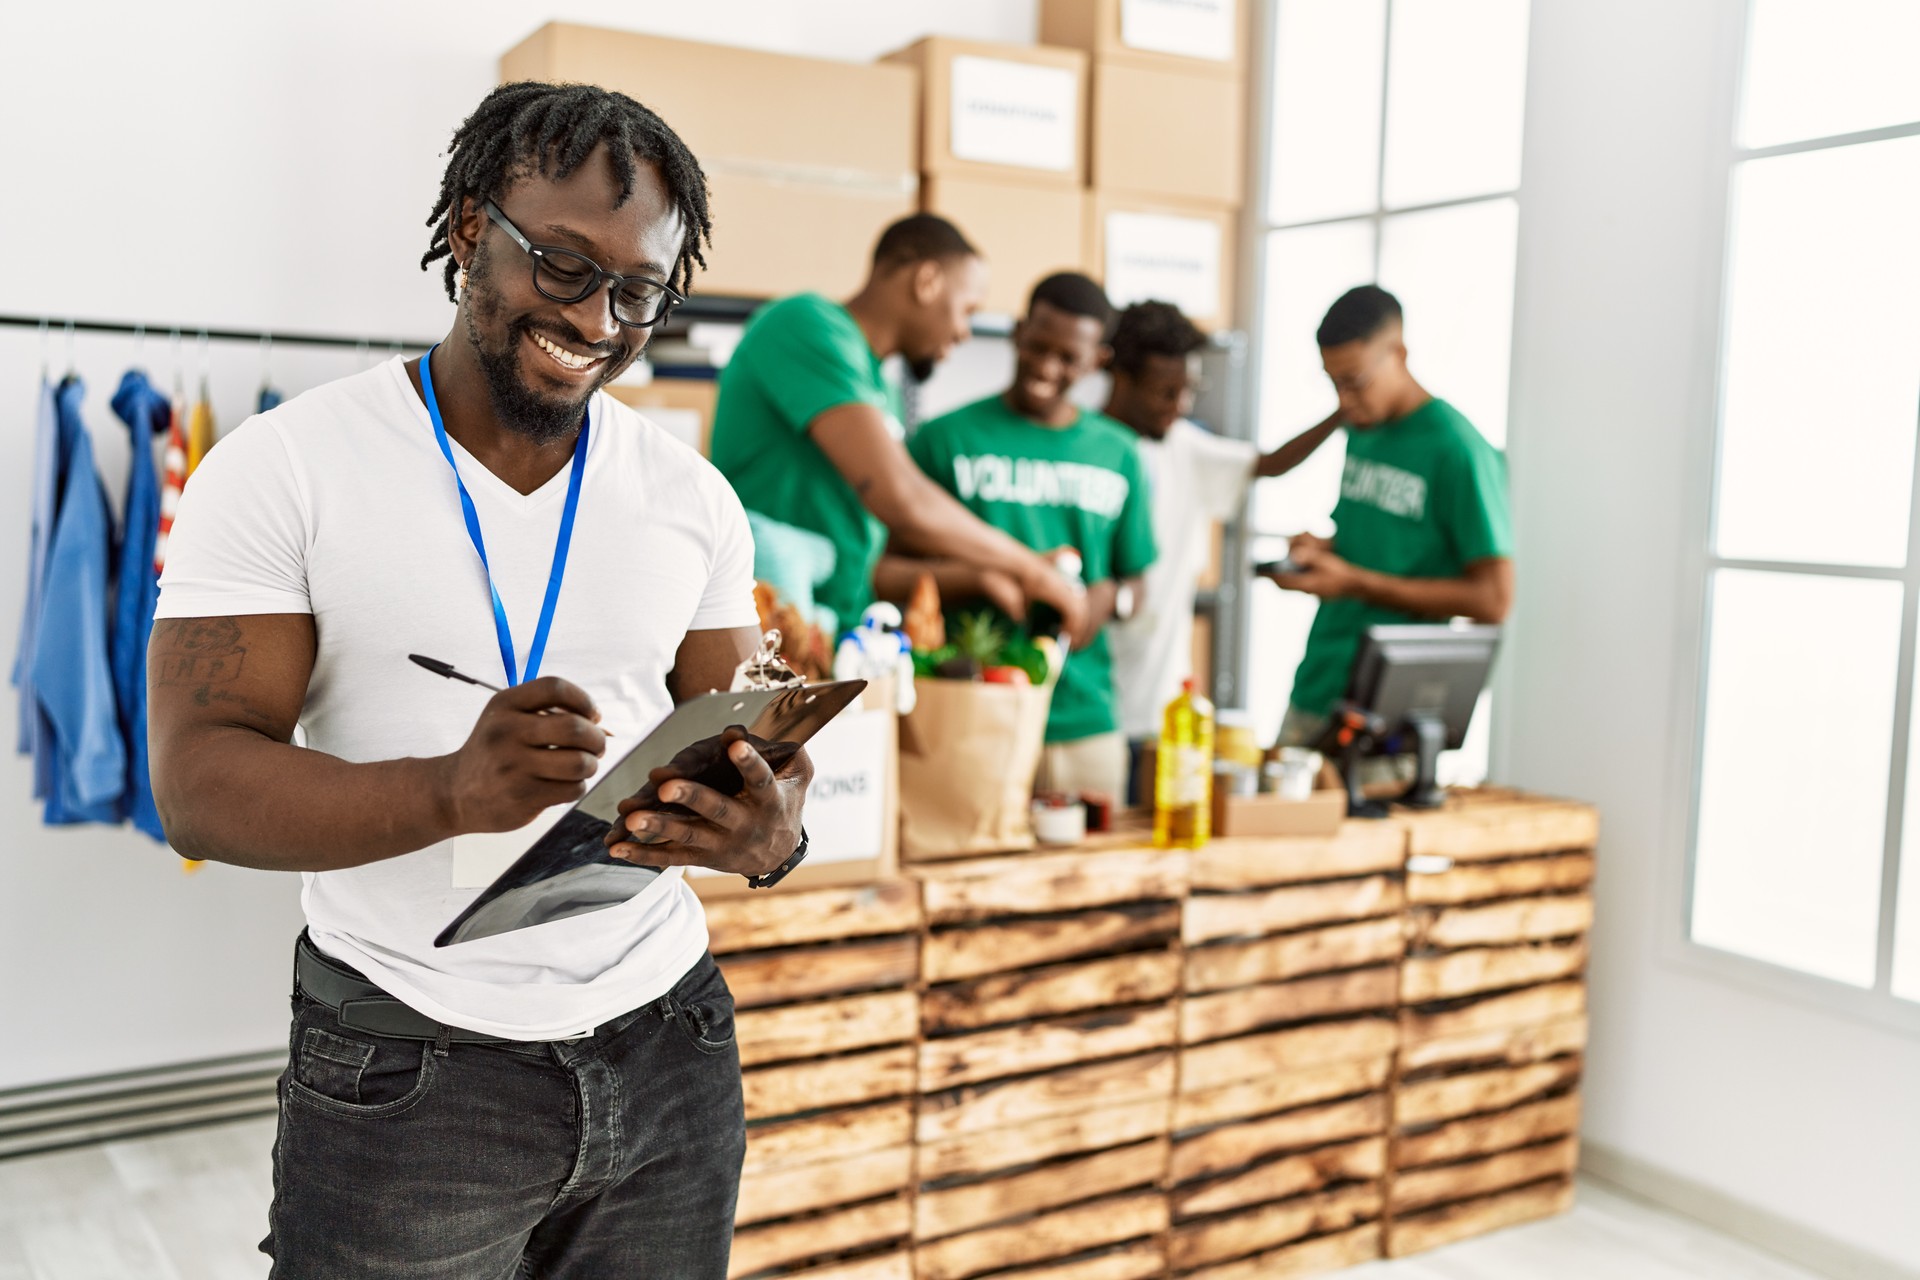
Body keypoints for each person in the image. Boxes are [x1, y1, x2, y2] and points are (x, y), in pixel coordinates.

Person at [147, 83, 804, 1279]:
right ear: (466, 229)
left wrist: (770, 831)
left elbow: (739, 738)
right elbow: (197, 782)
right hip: (411, 1069)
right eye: (561, 264)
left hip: (668, 1041)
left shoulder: (689, 495)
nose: (597, 317)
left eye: (637, 291)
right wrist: (450, 788)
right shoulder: (284, 468)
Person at [709, 215, 1086, 640]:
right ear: (927, 281)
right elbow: (905, 501)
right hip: (763, 635)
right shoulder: (807, 324)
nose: (964, 333)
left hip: (826, 637)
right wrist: (1031, 568)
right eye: (968, 310)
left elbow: (867, 569)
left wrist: (980, 577)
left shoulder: (878, 391)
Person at [901, 273, 1157, 800]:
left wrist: (1109, 598)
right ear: (1017, 334)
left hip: (1084, 720)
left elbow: (1135, 579)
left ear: (1098, 361)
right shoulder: (943, 440)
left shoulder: (1120, 453)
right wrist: (981, 579)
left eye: (1068, 358)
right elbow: (883, 574)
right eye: (1037, 347)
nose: (1046, 367)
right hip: (968, 712)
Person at [1261, 284, 1515, 750]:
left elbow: (1494, 599)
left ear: (1397, 353)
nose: (1343, 399)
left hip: (1387, 716)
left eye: (1354, 381)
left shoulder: (1458, 450)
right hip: (1318, 684)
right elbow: (1386, 542)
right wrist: (1322, 552)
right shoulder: (1363, 430)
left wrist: (1354, 581)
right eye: (1332, 381)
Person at [1100, 300, 1344, 765]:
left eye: (1188, 390)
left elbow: (1269, 463)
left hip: (1159, 707)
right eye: (1163, 393)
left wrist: (1341, 412)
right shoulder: (1088, 447)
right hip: (1092, 703)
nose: (1180, 406)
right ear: (1122, 379)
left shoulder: (1182, 446)